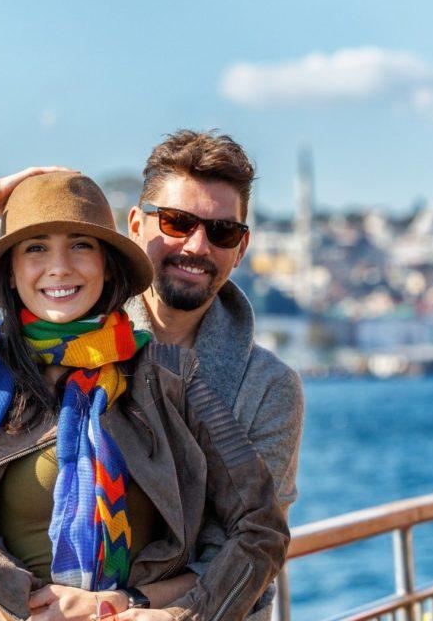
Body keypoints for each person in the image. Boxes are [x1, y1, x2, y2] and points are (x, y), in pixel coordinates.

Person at [0, 167, 288, 621]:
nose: (59, 267)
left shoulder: (169, 380)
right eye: (36, 247)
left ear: (107, 265)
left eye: (81, 246)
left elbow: (261, 528)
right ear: (11, 271)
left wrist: (179, 615)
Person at [124, 130, 305, 617]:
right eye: (178, 222)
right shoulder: (72, 348)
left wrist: (123, 605)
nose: (197, 246)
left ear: (241, 249)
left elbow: (248, 558)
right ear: (137, 225)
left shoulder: (269, 388)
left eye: (222, 231)